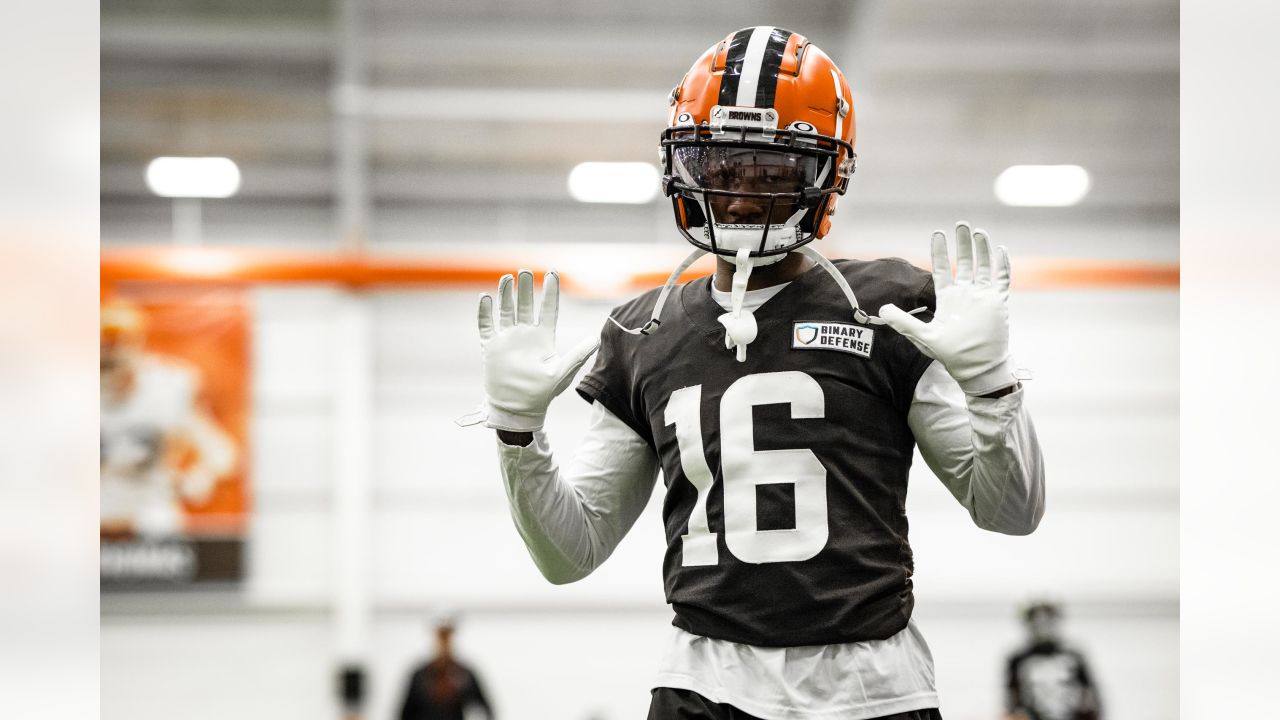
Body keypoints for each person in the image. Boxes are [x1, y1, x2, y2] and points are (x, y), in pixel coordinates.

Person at [465, 26, 1045, 719]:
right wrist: (518, 432)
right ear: (684, 166)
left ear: (827, 176)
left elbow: (1011, 511)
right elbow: (570, 554)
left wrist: (992, 386)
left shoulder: (887, 309)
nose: (741, 197)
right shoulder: (644, 331)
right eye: (721, 167)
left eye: (772, 171)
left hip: (868, 688)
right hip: (703, 680)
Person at [100, 299, 237, 539]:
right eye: (102, 346)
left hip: (152, 521)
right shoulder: (66, 390)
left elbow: (222, 452)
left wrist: (198, 478)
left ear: (137, 344)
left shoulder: (168, 388)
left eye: (115, 344)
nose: (108, 355)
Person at [1005, 602, 1101, 720]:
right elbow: (1012, 697)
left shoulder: (1074, 656)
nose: (1043, 628)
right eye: (1036, 623)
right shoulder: (1018, 659)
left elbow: (1090, 694)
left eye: (1047, 621)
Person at [398, 617, 493, 720]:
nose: (444, 642)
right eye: (441, 636)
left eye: (448, 636)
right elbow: (405, 712)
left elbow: (484, 708)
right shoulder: (420, 676)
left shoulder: (465, 675)